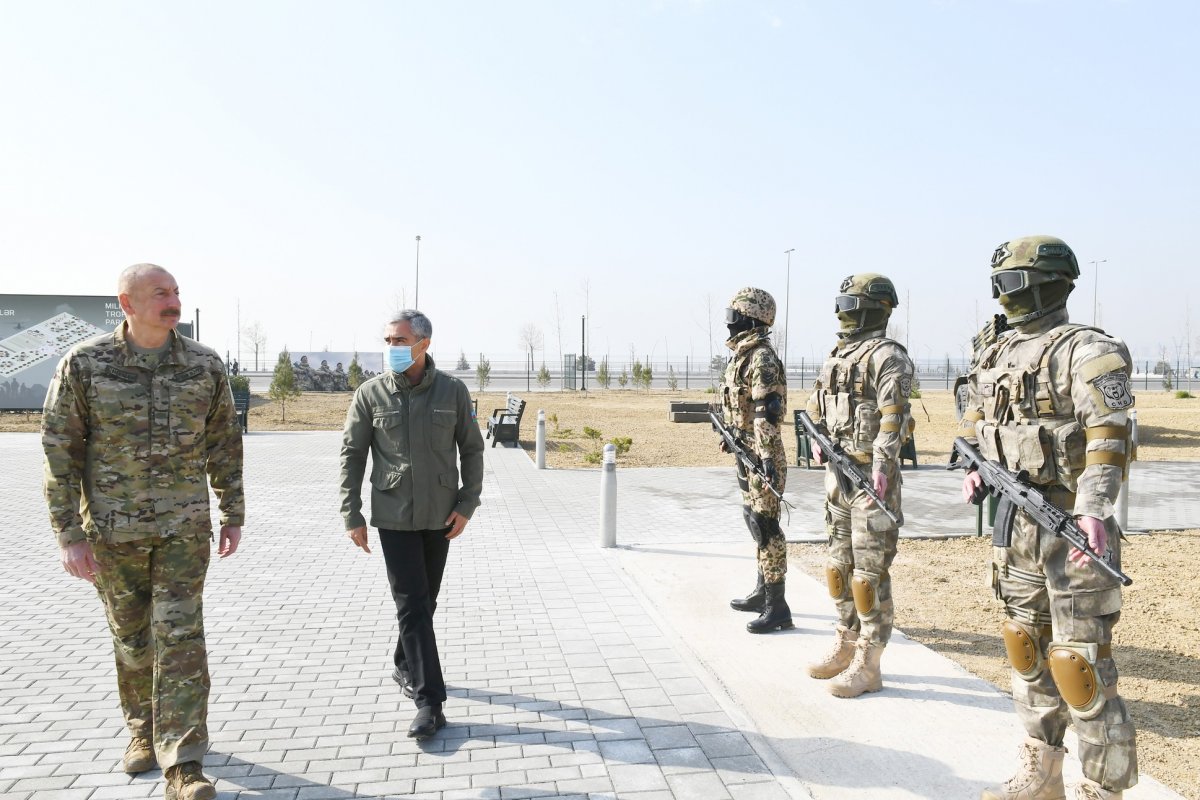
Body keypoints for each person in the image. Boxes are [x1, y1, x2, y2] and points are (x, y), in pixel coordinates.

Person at [41, 263, 243, 800]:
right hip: (112, 532)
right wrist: (68, 534)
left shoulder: (204, 366)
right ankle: (141, 731)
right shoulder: (85, 365)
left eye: (176, 292)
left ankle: (184, 763)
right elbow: (61, 452)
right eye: (160, 293)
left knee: (179, 639)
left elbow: (225, 443)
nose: (173, 301)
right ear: (127, 304)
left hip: (183, 530)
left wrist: (233, 512)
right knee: (131, 640)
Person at [961, 236, 1137, 800]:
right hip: (1014, 523)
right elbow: (978, 416)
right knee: (1025, 647)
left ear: (1044, 284)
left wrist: (1093, 508)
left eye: (1008, 282)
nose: (1000, 294)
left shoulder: (1089, 351)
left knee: (1079, 666)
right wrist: (979, 466)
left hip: (1071, 526)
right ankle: (1041, 771)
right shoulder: (995, 351)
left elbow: (1111, 436)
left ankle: (1101, 788)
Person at [339, 310, 484, 740]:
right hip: (393, 515)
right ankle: (430, 702)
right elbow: (352, 454)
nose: (391, 349)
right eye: (387, 340)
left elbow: (472, 450)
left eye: (399, 341)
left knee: (425, 601)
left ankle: (405, 663)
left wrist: (467, 503)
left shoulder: (452, 391)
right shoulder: (371, 394)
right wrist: (352, 512)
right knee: (412, 605)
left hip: (440, 513)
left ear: (423, 344)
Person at [803, 274, 914, 698]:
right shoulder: (838, 354)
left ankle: (870, 660)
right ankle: (845, 643)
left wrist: (884, 463)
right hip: (837, 472)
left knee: (868, 575)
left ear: (873, 307)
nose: (843, 309)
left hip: (871, 477)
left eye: (851, 302)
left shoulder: (888, 356)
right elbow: (817, 401)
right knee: (838, 568)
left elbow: (894, 415)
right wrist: (816, 440)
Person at [720, 287, 792, 634]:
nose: (729, 324)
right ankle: (762, 591)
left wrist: (764, 460)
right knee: (754, 521)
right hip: (746, 454)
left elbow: (766, 416)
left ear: (751, 318)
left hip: (763, 458)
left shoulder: (761, 357)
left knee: (767, 529)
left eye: (734, 316)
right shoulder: (741, 356)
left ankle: (777, 606)